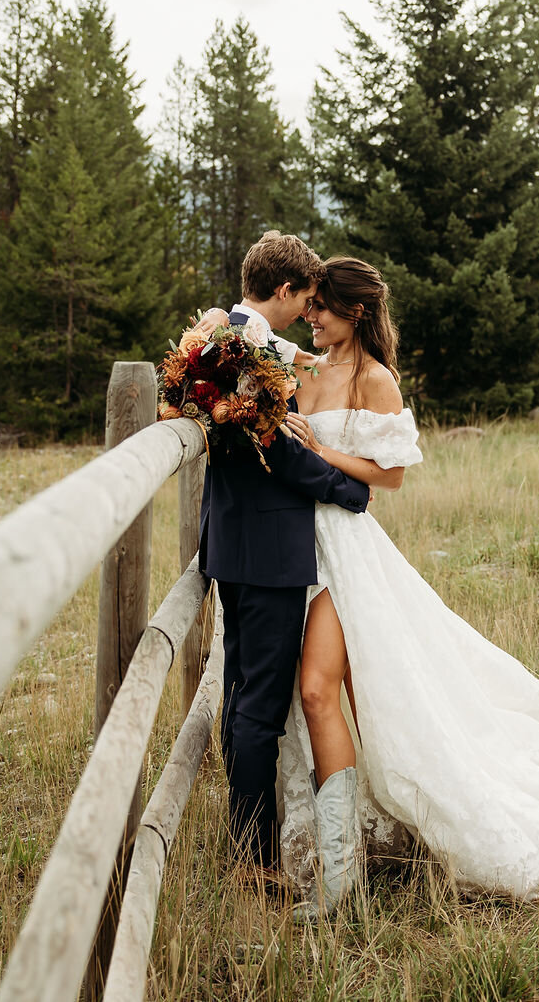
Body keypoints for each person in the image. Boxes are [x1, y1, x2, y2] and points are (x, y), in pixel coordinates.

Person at [278, 256, 539, 917]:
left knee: (320, 691)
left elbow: (392, 476)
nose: (309, 314)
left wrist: (317, 452)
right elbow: (244, 333)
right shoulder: (305, 368)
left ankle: (339, 872)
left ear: (353, 312)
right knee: (324, 697)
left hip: (343, 552)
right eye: (307, 304)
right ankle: (343, 849)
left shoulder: (376, 381)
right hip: (292, 543)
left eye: (320, 305)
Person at [197, 231, 372, 881]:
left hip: (235, 541)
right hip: (267, 547)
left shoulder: (230, 336)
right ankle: (249, 857)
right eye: (303, 298)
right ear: (283, 290)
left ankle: (242, 840)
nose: (308, 309)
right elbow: (277, 452)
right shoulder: (242, 349)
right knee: (260, 704)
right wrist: (348, 488)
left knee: (242, 690)